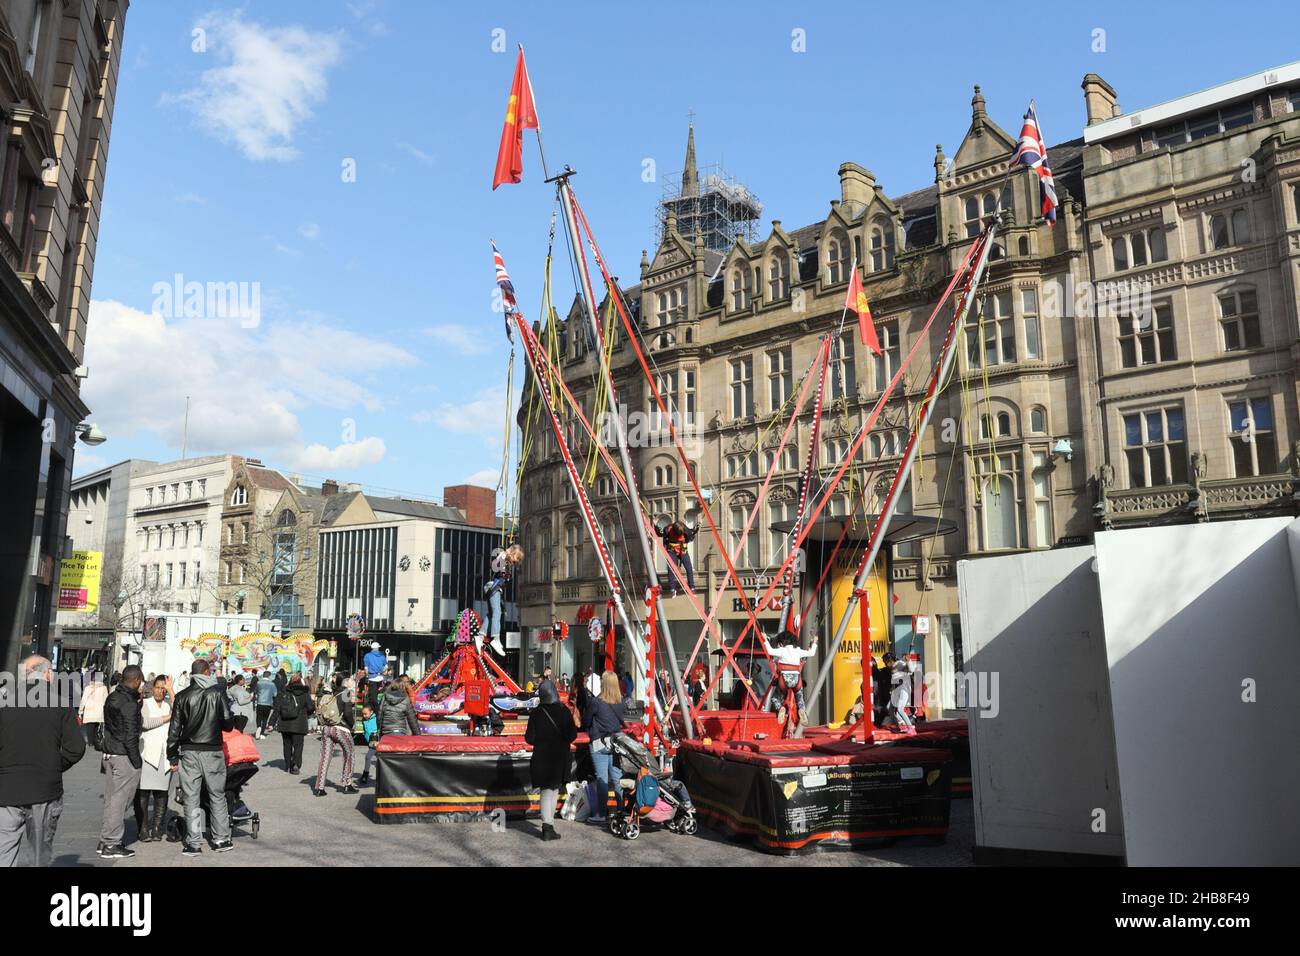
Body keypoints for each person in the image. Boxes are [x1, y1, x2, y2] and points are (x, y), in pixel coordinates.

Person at [0, 656, 86, 867]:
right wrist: (55, 765)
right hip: (44, 790)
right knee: (39, 855)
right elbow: (76, 748)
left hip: (6, 789)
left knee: (3, 850)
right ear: (48, 674)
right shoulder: (60, 704)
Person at [166, 658, 236, 856]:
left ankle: (194, 843)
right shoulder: (217, 693)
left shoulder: (182, 696)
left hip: (189, 752)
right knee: (217, 795)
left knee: (191, 797)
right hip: (213, 751)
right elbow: (228, 724)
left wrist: (172, 756)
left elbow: (174, 730)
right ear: (206, 672)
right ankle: (221, 838)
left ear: (192, 674)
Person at [98, 664, 144, 859]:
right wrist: (137, 761)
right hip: (123, 755)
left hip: (109, 753)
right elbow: (130, 735)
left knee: (111, 799)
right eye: (140, 682)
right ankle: (112, 843)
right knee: (119, 801)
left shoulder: (113, 697)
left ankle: (105, 840)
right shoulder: (129, 704)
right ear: (135, 681)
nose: (141, 686)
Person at [525, 682, 577, 841]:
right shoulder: (564, 711)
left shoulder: (536, 713)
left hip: (541, 757)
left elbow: (529, 738)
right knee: (553, 790)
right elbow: (572, 736)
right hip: (559, 757)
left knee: (546, 791)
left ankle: (548, 826)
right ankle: (548, 827)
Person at [133, 676, 173, 843]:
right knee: (143, 792)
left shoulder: (168, 705)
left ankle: (157, 827)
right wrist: (166, 718)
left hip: (165, 755)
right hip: (147, 753)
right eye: (158, 687)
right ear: (153, 687)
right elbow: (145, 723)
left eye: (164, 688)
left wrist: (172, 691)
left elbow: (180, 712)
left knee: (161, 793)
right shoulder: (146, 703)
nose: (160, 691)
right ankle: (143, 828)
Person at [583, 672, 626, 824]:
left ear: (604, 683)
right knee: (617, 779)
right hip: (615, 744)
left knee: (602, 779)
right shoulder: (620, 702)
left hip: (599, 743)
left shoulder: (596, 702)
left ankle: (601, 814)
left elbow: (586, 720)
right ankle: (622, 811)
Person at [761, 630, 818, 726]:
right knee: (800, 699)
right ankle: (802, 710)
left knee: (775, 698)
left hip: (784, 679)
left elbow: (770, 651)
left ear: (782, 642)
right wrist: (814, 642)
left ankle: (781, 708)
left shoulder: (782, 650)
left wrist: (765, 640)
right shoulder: (798, 650)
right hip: (797, 680)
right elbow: (811, 653)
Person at [312, 681, 357, 797]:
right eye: (350, 680)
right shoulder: (345, 693)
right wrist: (352, 724)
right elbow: (347, 713)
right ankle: (347, 784)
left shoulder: (331, 693)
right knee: (349, 753)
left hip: (327, 728)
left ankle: (319, 788)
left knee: (325, 757)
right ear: (346, 683)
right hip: (341, 729)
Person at [484, 543, 522, 656]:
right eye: (517, 558)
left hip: (496, 588)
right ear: (513, 554)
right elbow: (495, 567)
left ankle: (481, 636)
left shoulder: (508, 563)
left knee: (492, 613)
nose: (516, 562)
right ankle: (495, 638)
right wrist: (503, 554)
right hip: (493, 587)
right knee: (497, 612)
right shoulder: (504, 558)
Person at [276, 674, 314, 774]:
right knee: (298, 745)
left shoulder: (284, 691)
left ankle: (287, 765)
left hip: (285, 723)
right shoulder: (305, 693)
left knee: (287, 744)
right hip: (299, 723)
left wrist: (271, 723)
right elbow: (310, 708)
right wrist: (306, 712)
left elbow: (277, 708)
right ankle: (296, 765)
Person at [655, 520, 697, 595]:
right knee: (671, 568)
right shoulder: (668, 529)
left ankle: (692, 586)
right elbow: (660, 533)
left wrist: (698, 525)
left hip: (682, 549)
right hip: (672, 550)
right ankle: (672, 588)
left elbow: (692, 532)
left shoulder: (685, 530)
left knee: (689, 567)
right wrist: (656, 525)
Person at [889, 653, 917, 734]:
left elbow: (911, 669)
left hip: (905, 690)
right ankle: (903, 726)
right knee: (894, 710)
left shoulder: (907, 666)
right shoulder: (898, 667)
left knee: (900, 709)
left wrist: (909, 661)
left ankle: (911, 728)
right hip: (899, 690)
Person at [78, 672, 107, 748]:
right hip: (99, 711)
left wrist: (80, 711)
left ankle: (90, 742)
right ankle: (96, 740)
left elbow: (83, 700)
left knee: (89, 726)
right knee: (97, 726)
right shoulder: (104, 688)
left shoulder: (88, 688)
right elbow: (105, 700)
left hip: (89, 710)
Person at [358, 705, 379, 786]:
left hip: (376, 741)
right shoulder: (364, 720)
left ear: (371, 712)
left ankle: (365, 776)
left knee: (368, 757)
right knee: (377, 759)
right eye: (363, 714)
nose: (364, 716)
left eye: (366, 714)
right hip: (370, 742)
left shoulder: (376, 718)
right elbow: (365, 730)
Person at [363, 641, 387, 710]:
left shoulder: (367, 656)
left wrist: (367, 677)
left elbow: (366, 669)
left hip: (372, 679)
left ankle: (376, 710)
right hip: (381, 679)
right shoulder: (382, 656)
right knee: (380, 696)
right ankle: (380, 709)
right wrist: (382, 671)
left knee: (372, 698)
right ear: (378, 648)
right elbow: (386, 667)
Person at [254, 670, 278, 739]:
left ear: (263, 675)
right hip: (268, 703)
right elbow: (275, 694)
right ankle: (262, 733)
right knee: (265, 718)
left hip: (259, 702)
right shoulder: (272, 684)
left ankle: (258, 727)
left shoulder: (258, 683)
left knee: (258, 717)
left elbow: (256, 691)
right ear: (269, 676)